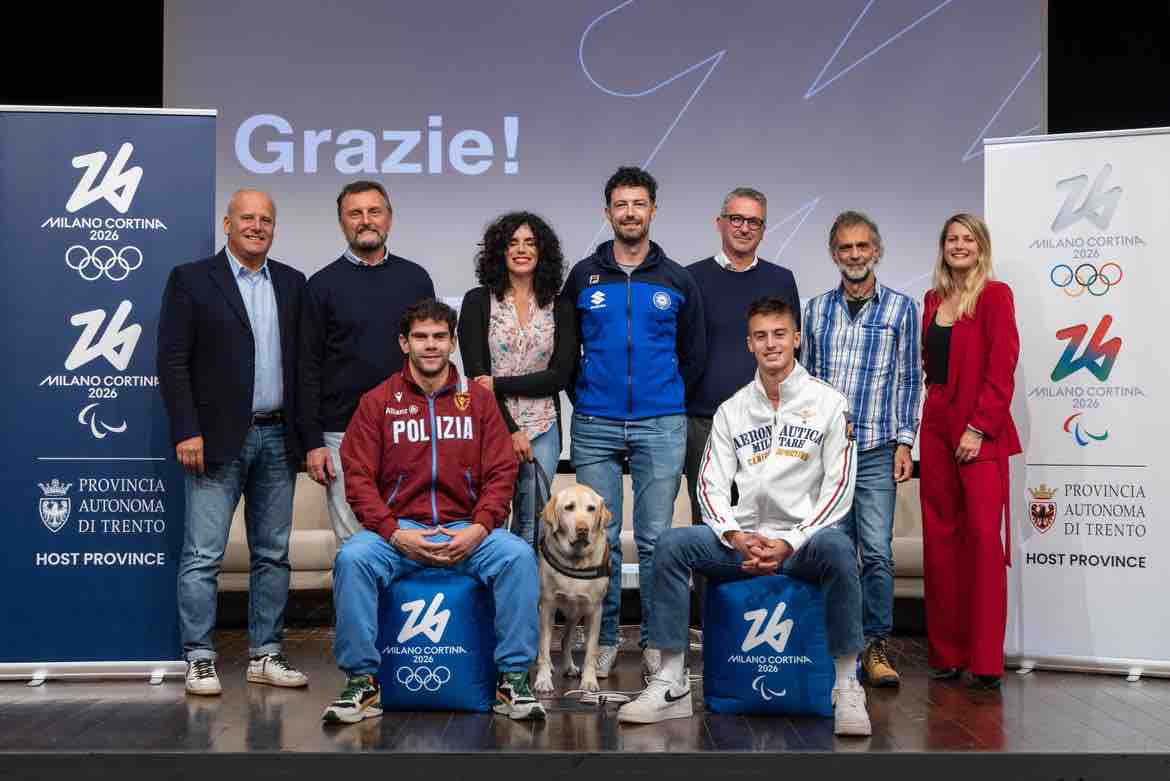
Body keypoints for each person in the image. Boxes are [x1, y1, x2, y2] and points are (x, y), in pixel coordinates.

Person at [617, 296, 870, 736]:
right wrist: (734, 535)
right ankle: (672, 680)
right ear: (749, 343)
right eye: (760, 336)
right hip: (744, 544)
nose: (771, 344)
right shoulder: (733, 409)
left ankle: (847, 686)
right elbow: (709, 484)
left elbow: (840, 486)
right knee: (673, 545)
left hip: (803, 546)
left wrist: (793, 539)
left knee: (840, 547)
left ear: (796, 339)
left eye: (779, 334)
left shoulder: (830, 403)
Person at [323, 299, 544, 724]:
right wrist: (393, 533)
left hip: (466, 528)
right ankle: (361, 684)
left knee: (516, 556)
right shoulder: (377, 402)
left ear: (453, 343)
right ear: (404, 343)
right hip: (401, 533)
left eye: (440, 337)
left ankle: (512, 681)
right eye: (421, 337)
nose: (430, 346)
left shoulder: (478, 402)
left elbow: (501, 473)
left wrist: (480, 529)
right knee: (352, 559)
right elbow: (358, 479)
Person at [157, 189, 309, 696]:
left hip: (278, 435)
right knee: (203, 555)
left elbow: (303, 369)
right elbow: (173, 362)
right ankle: (199, 657)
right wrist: (186, 428)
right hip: (215, 440)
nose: (257, 226)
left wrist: (306, 438)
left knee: (273, 555)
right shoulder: (192, 280)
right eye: (248, 217)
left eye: (266, 219)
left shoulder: (291, 283)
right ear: (227, 224)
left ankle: (266, 654)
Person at [562, 166, 706, 679]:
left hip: (660, 422)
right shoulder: (583, 275)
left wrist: (663, 397)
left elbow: (694, 354)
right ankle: (600, 641)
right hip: (596, 421)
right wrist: (586, 393)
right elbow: (566, 351)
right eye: (620, 204)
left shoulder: (677, 278)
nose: (629, 213)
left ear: (652, 211)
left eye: (639, 204)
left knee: (655, 538)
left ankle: (655, 641)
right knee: (596, 538)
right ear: (608, 212)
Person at [800, 210, 922, 687]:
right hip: (828, 452)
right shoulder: (814, 310)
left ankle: (874, 646)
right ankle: (836, 647)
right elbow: (804, 382)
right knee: (831, 549)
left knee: (876, 553)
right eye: (845, 248)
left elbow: (911, 380)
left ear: (877, 251)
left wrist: (905, 442)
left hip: (875, 448)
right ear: (835, 254)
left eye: (862, 247)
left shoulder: (902, 310)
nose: (854, 255)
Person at [685, 187, 801, 622]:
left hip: (768, 426)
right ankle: (712, 623)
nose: (743, 227)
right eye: (736, 219)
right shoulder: (690, 277)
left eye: (753, 221)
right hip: (703, 420)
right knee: (713, 524)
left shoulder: (781, 279)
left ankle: (759, 618)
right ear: (719, 223)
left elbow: (791, 352)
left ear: (763, 230)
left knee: (766, 520)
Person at [298, 180, 435, 544]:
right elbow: (307, 368)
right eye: (354, 213)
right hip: (342, 434)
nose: (365, 220)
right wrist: (313, 442)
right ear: (342, 222)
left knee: (412, 535)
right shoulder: (321, 286)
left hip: (411, 428)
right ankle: (358, 606)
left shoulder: (416, 279)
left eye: (374, 211)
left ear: (389, 219)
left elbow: (433, 357)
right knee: (355, 545)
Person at [919, 214, 1020, 690]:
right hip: (936, 421)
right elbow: (930, 366)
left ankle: (984, 661)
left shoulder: (995, 296)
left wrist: (979, 427)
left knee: (982, 540)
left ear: (981, 247)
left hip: (979, 427)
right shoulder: (932, 301)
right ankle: (946, 653)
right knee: (940, 540)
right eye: (951, 239)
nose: (959, 246)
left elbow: (1003, 368)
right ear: (943, 248)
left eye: (968, 239)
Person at [457, 212, 576, 545]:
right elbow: (476, 379)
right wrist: (510, 430)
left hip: (544, 425)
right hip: (489, 424)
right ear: (500, 251)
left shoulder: (561, 304)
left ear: (543, 251)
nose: (521, 250)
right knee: (487, 515)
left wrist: (500, 383)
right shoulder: (477, 301)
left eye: (530, 243)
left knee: (533, 519)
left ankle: (523, 595)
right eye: (512, 243)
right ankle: (486, 594)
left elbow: (559, 377)